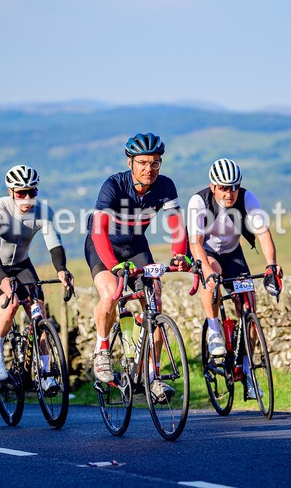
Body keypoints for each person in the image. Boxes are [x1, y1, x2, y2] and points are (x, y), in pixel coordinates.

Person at [85, 132, 191, 403]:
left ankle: (152, 375)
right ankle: (102, 349)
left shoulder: (165, 186)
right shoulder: (114, 185)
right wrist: (113, 265)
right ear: (130, 162)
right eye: (143, 162)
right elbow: (98, 230)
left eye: (155, 163)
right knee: (110, 293)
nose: (149, 169)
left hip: (136, 246)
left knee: (155, 304)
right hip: (103, 246)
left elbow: (176, 225)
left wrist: (180, 255)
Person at [186, 158, 283, 399]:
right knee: (213, 274)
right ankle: (214, 329)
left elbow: (263, 234)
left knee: (249, 307)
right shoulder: (199, 202)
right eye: (223, 188)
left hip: (233, 253)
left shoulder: (247, 198)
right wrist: (207, 273)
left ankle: (248, 373)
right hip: (205, 252)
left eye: (234, 187)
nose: (229, 193)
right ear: (213, 186)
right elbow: (195, 243)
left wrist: (271, 265)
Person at [0, 164, 72, 392]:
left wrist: (62, 270)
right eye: (21, 193)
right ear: (11, 192)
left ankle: (45, 373)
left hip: (21, 264)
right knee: (10, 304)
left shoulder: (44, 212)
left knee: (39, 311)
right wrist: (3, 280)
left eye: (32, 192)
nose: (27, 198)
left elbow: (54, 244)